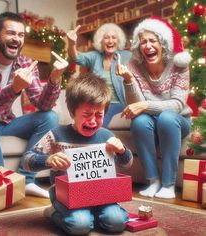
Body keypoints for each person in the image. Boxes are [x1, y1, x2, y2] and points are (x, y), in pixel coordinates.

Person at [0, 12, 68, 198]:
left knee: (50, 117)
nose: (16, 38)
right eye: (10, 33)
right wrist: (13, 88)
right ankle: (0, 187)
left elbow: (43, 104)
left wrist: (55, 80)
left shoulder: (25, 63)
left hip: (5, 123)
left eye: (20, 35)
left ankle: (28, 180)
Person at [21, 73, 133, 235]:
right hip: (66, 195)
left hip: (101, 193)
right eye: (87, 115)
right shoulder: (56, 135)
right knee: (80, 225)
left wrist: (122, 150)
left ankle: (94, 214)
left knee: (117, 222)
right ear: (73, 112)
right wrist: (48, 160)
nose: (93, 121)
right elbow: (26, 161)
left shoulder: (107, 136)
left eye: (99, 115)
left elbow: (127, 163)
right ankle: (53, 212)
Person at [116, 16, 192, 199]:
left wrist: (145, 105)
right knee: (140, 121)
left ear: (163, 43)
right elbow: (136, 105)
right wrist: (128, 80)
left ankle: (168, 184)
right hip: (149, 118)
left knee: (166, 117)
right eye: (143, 42)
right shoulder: (133, 65)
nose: (147, 46)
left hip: (178, 120)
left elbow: (177, 104)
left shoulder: (179, 64)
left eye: (152, 40)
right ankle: (153, 181)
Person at [66, 23, 131, 127]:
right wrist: (71, 43)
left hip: (119, 103)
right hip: (98, 102)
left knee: (97, 120)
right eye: (106, 38)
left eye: (114, 37)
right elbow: (76, 57)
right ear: (101, 41)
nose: (110, 41)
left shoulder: (126, 56)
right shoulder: (95, 56)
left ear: (118, 41)